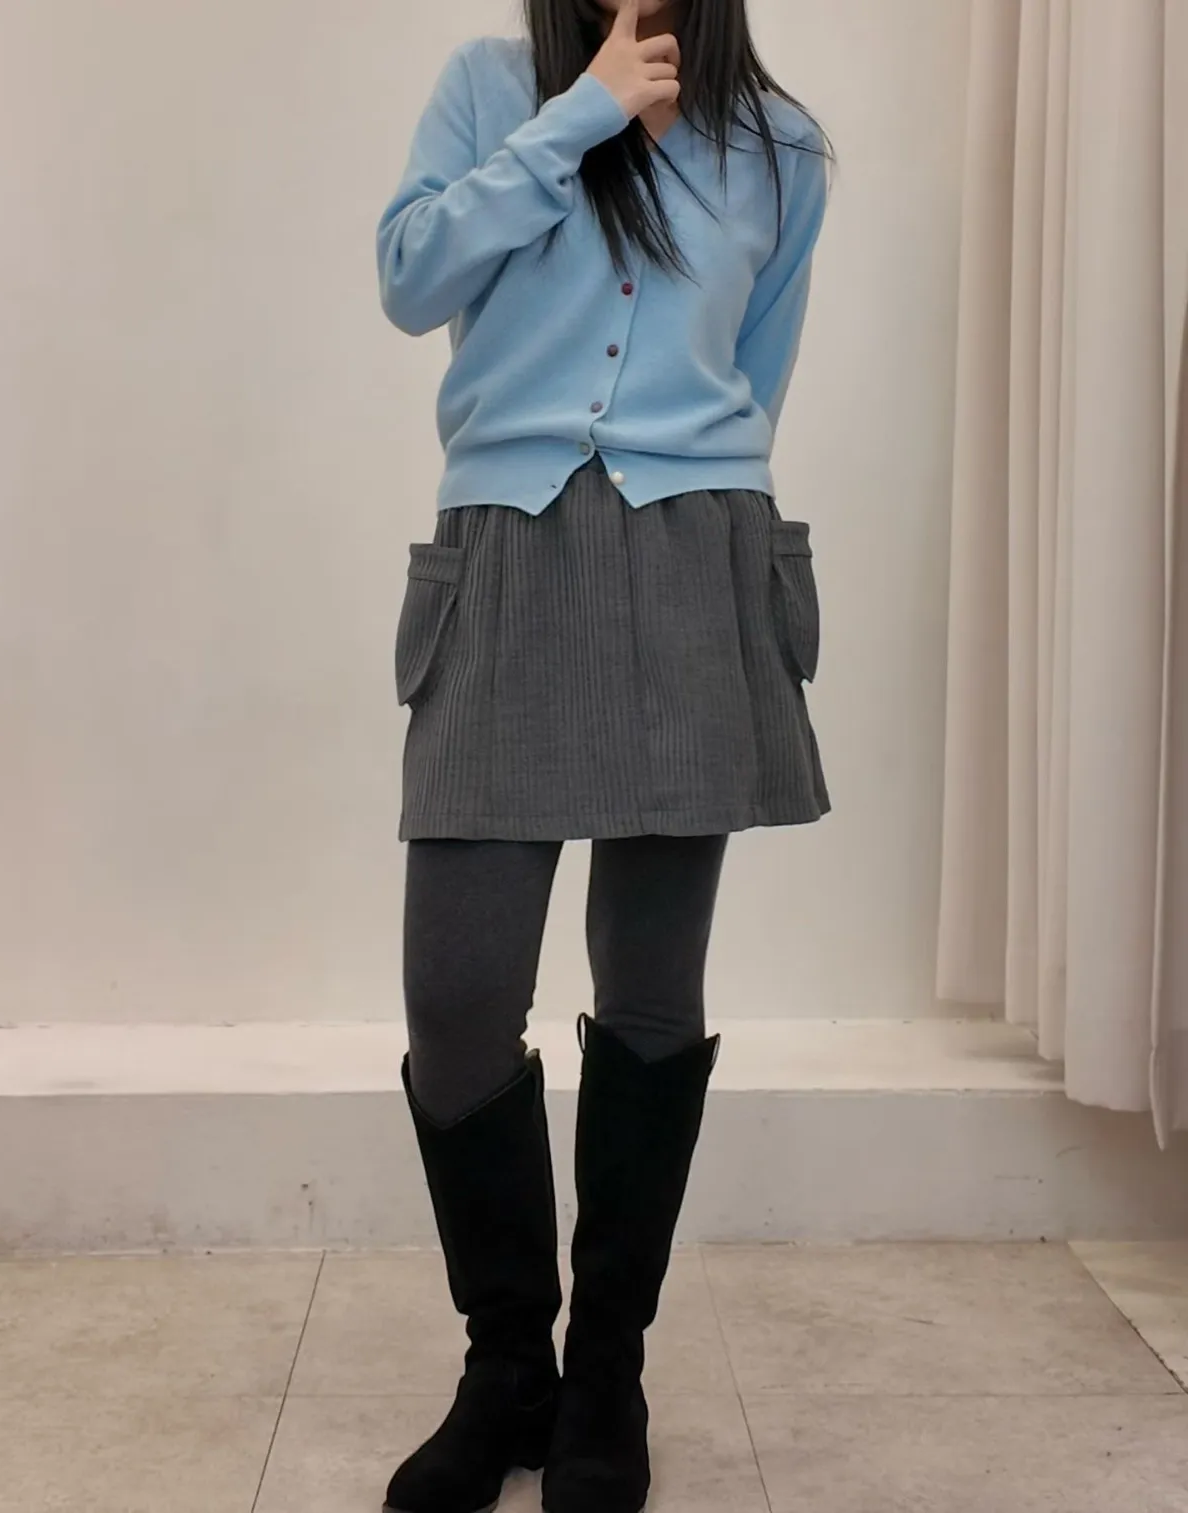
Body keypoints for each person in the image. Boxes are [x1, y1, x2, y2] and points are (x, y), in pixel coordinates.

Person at [375, 1, 831, 1508]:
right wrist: (581, 113)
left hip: (693, 555)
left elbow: (754, 381)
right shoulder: (492, 86)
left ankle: (607, 1373)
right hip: (507, 554)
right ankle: (507, 1362)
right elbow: (411, 277)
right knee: (458, 1002)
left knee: (650, 993)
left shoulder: (782, 145)